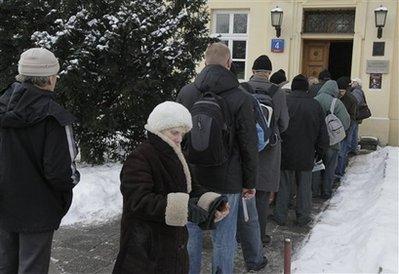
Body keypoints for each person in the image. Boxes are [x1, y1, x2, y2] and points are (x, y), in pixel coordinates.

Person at [113, 101, 229, 274]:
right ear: (158, 130)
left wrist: (211, 204)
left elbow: (192, 188)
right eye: (174, 133)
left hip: (172, 244)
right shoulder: (140, 157)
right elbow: (138, 201)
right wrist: (183, 208)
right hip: (146, 247)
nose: (179, 139)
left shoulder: (176, 153)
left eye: (182, 134)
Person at [177, 42, 258, 274]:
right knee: (224, 237)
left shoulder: (187, 92)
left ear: (204, 62)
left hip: (193, 177)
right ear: (229, 63)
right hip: (228, 178)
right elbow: (248, 144)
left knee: (191, 231)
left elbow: (178, 137)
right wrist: (249, 182)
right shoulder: (241, 97)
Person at [0, 48, 80, 273]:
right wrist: (68, 188)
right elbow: (60, 172)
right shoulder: (54, 117)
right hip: (39, 208)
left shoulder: (2, 106)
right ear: (50, 78)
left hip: (3, 205)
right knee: (32, 268)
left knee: (5, 265)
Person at [242, 55, 289, 244]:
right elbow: (284, 123)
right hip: (269, 149)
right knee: (262, 195)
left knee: (243, 192)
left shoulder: (242, 88)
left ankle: (241, 234)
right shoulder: (277, 92)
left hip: (245, 148)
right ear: (269, 73)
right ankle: (259, 236)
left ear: (252, 71)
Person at [273, 75, 329, 226]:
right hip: (307, 153)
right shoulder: (315, 105)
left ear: (292, 88)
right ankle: (303, 217)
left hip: (286, 152)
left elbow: (277, 126)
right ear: (307, 88)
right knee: (305, 187)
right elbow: (322, 132)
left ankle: (280, 216)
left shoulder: (285, 102)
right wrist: (321, 151)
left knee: (284, 186)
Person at [313, 80, 350, 199]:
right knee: (329, 167)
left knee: (316, 167)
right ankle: (326, 192)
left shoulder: (314, 100)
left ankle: (314, 191)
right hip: (332, 142)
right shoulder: (337, 103)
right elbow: (346, 122)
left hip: (316, 142)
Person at [335, 77, 358, 180]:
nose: (340, 93)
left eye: (342, 91)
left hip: (347, 126)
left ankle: (339, 172)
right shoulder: (336, 96)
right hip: (335, 127)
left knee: (342, 151)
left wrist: (347, 131)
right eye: (339, 91)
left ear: (346, 90)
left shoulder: (351, 99)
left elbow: (353, 117)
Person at [349, 77, 366, 153]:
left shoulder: (356, 91)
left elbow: (356, 102)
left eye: (353, 82)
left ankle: (350, 148)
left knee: (351, 132)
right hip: (356, 115)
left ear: (357, 84)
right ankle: (354, 148)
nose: (351, 83)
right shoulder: (357, 90)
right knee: (354, 132)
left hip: (355, 115)